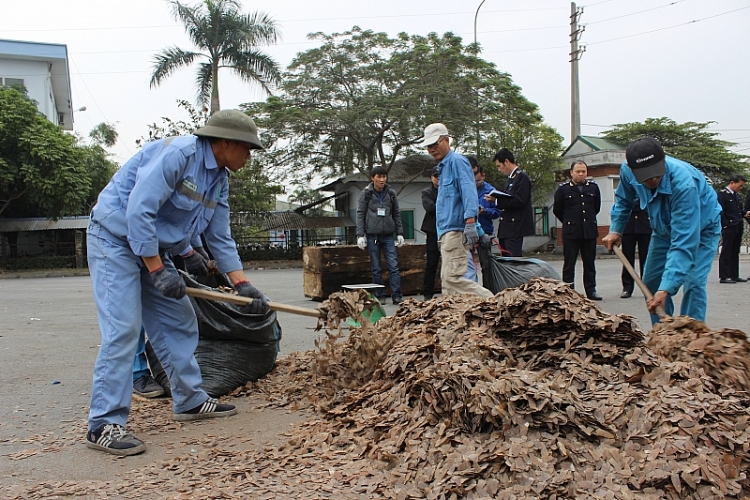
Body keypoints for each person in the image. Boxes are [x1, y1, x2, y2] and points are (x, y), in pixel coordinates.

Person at [86, 110, 269, 456]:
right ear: (225, 141)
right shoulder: (179, 155)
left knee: (179, 320)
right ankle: (103, 424)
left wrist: (242, 283)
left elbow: (219, 233)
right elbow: (139, 210)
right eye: (247, 148)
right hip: (115, 239)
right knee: (123, 329)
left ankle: (189, 400)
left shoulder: (220, 179)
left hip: (156, 248)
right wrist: (157, 271)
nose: (249, 155)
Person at [602, 137, 721, 324]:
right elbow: (624, 200)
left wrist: (666, 289)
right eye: (646, 176)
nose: (653, 179)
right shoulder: (626, 171)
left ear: (663, 161)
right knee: (650, 282)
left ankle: (691, 339)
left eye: (656, 173)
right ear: (632, 170)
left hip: (702, 229)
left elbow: (683, 243)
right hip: (662, 229)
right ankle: (663, 335)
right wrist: (616, 229)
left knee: (693, 282)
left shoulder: (683, 184)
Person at [420, 123, 493, 298]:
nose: (432, 149)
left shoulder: (457, 162)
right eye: (429, 146)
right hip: (445, 232)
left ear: (446, 140)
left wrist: (470, 223)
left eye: (435, 144)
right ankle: (454, 320)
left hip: (455, 231)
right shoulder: (443, 168)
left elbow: (469, 193)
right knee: (447, 282)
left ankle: (493, 303)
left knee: (453, 279)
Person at [553, 160, 602, 300]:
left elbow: (596, 208)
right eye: (578, 171)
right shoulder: (563, 189)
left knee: (589, 263)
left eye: (583, 171)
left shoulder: (593, 188)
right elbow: (558, 210)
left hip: (589, 231)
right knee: (569, 263)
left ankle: (591, 290)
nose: (581, 174)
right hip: (571, 232)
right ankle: (568, 291)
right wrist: (570, 221)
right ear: (571, 173)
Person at [356, 166, 405, 305]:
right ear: (373, 178)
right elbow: (360, 214)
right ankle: (380, 295)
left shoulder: (391, 193)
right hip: (373, 236)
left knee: (394, 266)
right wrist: (360, 234)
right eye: (379, 176)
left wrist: (400, 233)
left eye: (384, 176)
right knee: (376, 267)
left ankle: (397, 295)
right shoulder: (366, 194)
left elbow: (396, 213)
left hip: (388, 235)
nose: (382, 179)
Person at [485, 148, 534, 257]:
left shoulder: (521, 177)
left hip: (515, 226)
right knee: (506, 260)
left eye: (499, 166)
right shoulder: (510, 179)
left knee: (513, 260)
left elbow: (519, 201)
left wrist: (497, 200)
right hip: (506, 227)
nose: (499, 169)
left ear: (506, 162)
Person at [717, 174, 747, 283]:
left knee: (735, 251)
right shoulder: (722, 195)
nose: (741, 188)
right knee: (727, 250)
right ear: (732, 183)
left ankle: (734, 274)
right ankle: (724, 276)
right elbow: (720, 211)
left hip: (737, 225)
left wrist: (745, 214)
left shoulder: (736, 196)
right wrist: (725, 224)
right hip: (729, 226)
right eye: (740, 185)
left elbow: (737, 211)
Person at [619, 197, 651, 298]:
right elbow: (622, 205)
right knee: (627, 260)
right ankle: (627, 288)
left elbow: (645, 204)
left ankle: (647, 287)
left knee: (645, 259)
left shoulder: (645, 186)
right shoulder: (627, 187)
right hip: (628, 227)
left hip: (645, 226)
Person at [467, 157, 501, 236]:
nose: (476, 183)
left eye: (478, 180)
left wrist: (485, 211)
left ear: (483, 176)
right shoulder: (466, 190)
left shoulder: (491, 191)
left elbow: (497, 212)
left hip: (485, 230)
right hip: (468, 230)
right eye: (473, 181)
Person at [421, 166, 440, 300]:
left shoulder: (448, 190)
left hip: (447, 229)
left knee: (448, 262)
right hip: (432, 230)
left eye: (440, 176)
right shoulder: (427, 192)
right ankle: (428, 293)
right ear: (431, 178)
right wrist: (444, 206)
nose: (438, 179)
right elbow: (430, 207)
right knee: (432, 262)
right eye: (435, 176)